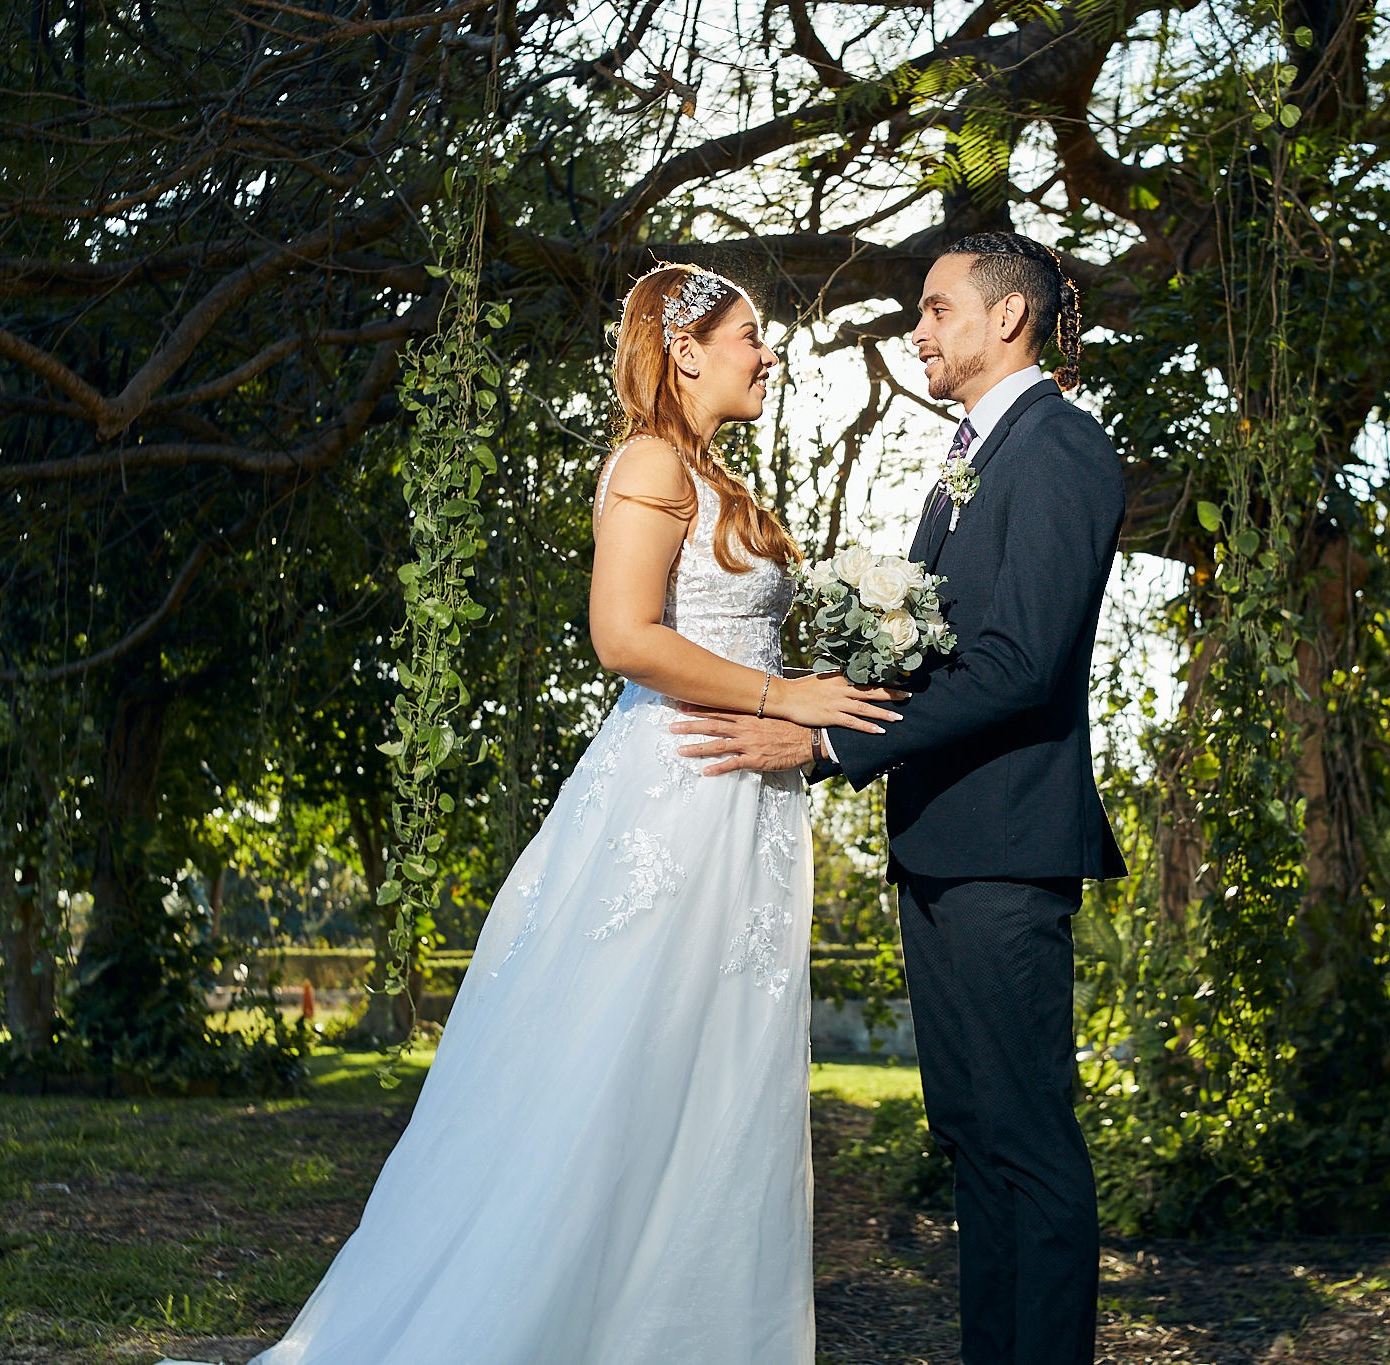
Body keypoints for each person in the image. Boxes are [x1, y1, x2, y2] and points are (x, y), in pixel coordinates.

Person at [168, 264, 902, 1365]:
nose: (768, 352)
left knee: (715, 1069)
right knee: (617, 1060)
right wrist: (779, 694)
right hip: (676, 796)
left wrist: (822, 675)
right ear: (688, 349)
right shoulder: (651, 461)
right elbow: (621, 637)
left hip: (742, 800)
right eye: (752, 334)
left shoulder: (711, 474)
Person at [677, 231, 1128, 1365]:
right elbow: (939, 649)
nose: (916, 333)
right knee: (974, 1139)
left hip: (1006, 849)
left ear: (1006, 319)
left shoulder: (1060, 449)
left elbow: (1020, 662)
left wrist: (823, 743)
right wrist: (824, 680)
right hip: (939, 842)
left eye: (934, 310)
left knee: (1025, 1142)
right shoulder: (972, 457)